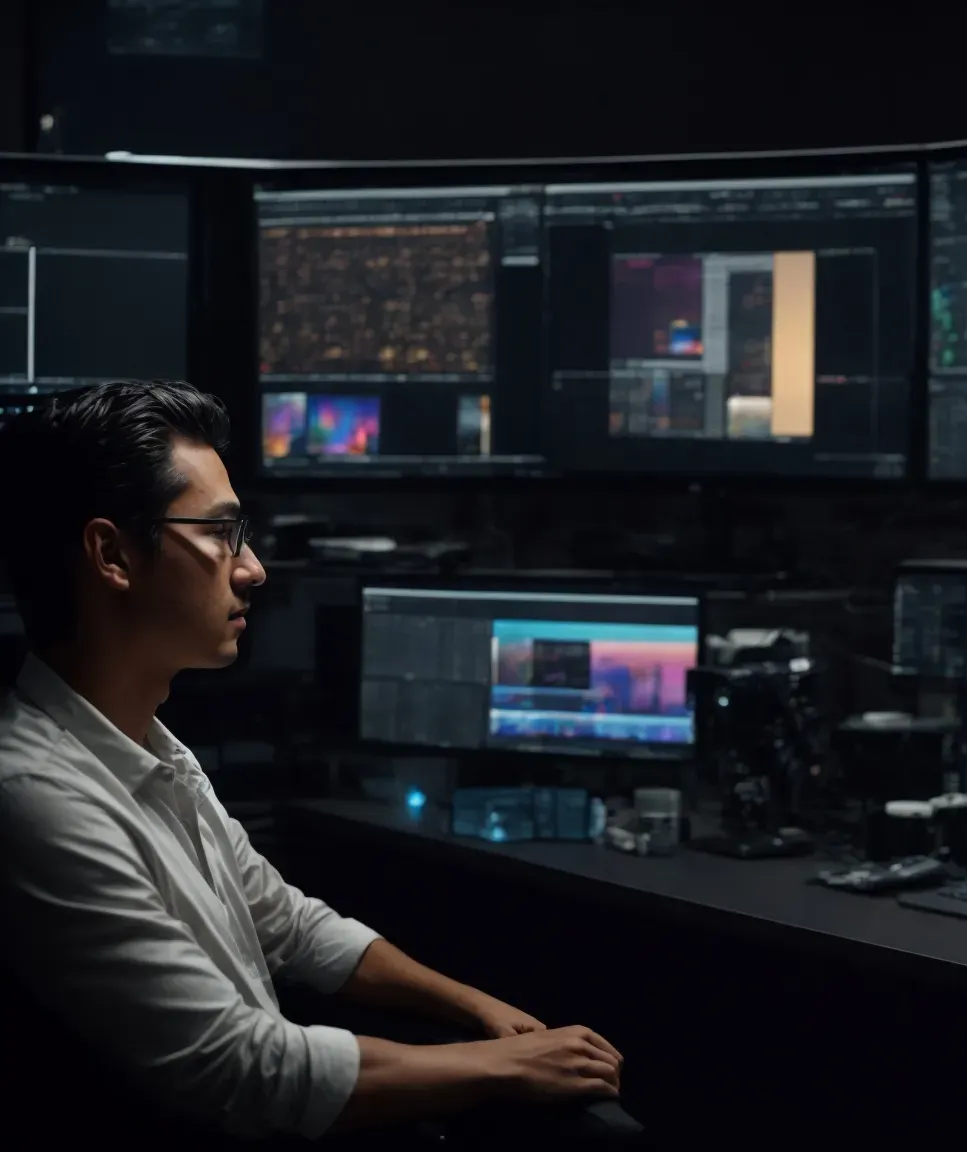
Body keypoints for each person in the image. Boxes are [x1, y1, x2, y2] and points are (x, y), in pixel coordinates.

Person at [0, 381, 628, 1145]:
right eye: (222, 534)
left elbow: (291, 926)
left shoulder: (149, 749)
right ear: (112, 555)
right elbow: (241, 1068)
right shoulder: (35, 797)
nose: (254, 568)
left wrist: (475, 1007)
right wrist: (508, 1067)